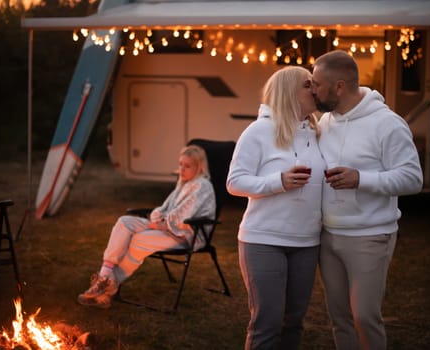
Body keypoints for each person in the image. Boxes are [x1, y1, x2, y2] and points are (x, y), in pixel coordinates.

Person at [311, 50, 424, 350]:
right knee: (339, 318)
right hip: (328, 236)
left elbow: (413, 179)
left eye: (317, 84)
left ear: (340, 87)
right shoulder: (325, 120)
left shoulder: (388, 124)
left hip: (369, 235)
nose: (312, 90)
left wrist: (361, 179)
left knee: (364, 317)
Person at [227, 66, 324, 349]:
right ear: (289, 92)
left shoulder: (318, 132)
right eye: (308, 84)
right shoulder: (258, 131)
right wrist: (278, 181)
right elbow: (234, 182)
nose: (315, 89)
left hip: (307, 242)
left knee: (294, 323)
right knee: (266, 324)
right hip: (263, 240)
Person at [77, 144, 216, 309]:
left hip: (186, 234)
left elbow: (182, 216)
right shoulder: (183, 184)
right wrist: (157, 219)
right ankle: (105, 277)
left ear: (199, 167)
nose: (182, 169)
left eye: (187, 166)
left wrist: (160, 224)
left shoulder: (202, 186)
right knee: (124, 222)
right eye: (180, 164)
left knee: (139, 239)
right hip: (165, 226)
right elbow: (163, 209)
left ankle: (107, 286)